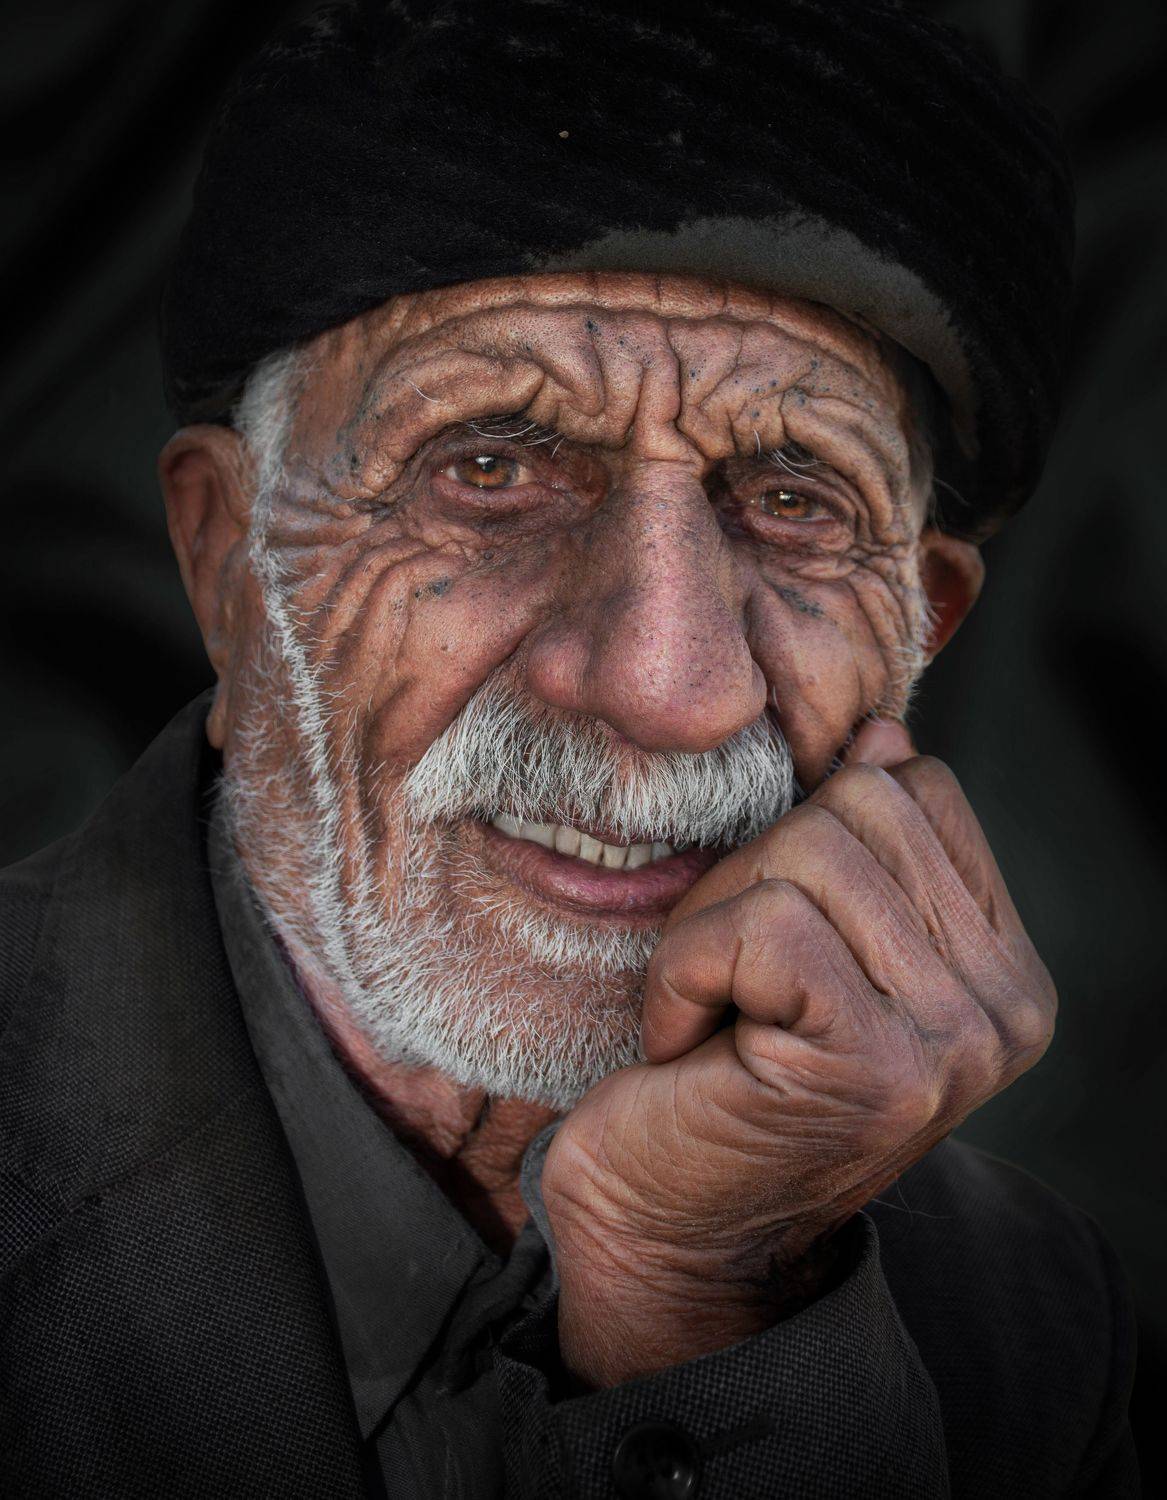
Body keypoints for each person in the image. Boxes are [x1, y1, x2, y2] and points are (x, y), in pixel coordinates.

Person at [0, 2, 1139, 1496]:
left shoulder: (1022, 1323)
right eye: (488, 471)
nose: (669, 686)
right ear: (224, 562)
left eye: (792, 501)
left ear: (921, 628)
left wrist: (705, 1297)